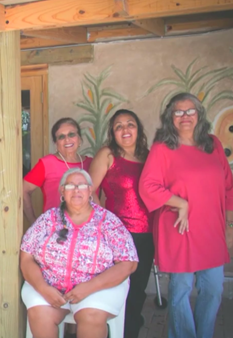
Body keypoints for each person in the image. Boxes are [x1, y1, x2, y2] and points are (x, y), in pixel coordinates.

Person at [139, 93, 233, 338]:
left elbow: (228, 187)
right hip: (179, 228)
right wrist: (180, 202)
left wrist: (231, 223)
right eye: (178, 112)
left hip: (212, 229)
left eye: (190, 111)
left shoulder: (212, 144)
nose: (185, 116)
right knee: (181, 289)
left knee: (213, 288)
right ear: (170, 117)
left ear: (199, 115)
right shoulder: (163, 148)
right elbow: (147, 186)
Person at [21, 168, 138, 338]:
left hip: (97, 287)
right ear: (62, 191)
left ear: (90, 190)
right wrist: (42, 287)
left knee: (91, 315)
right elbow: (26, 257)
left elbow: (129, 263)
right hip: (49, 286)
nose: (76, 190)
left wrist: (89, 287)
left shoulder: (108, 221)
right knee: (40, 314)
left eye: (82, 185)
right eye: (70, 186)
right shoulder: (48, 219)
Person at [88, 109, 153, 338]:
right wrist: (104, 224)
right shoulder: (108, 154)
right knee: (117, 291)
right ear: (112, 132)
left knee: (137, 291)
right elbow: (89, 190)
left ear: (139, 129)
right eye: (119, 126)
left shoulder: (149, 156)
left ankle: (129, 333)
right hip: (118, 236)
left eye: (130, 124)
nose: (125, 130)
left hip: (147, 236)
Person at [23, 118, 92, 224]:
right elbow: (23, 190)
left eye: (71, 134)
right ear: (56, 143)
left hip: (88, 228)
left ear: (79, 138)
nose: (67, 139)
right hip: (56, 229)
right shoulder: (47, 163)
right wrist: (34, 222)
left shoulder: (91, 164)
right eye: (61, 137)